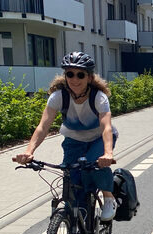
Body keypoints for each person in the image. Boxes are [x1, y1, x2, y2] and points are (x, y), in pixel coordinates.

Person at [14, 52, 118, 221]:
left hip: (99, 138)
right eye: (70, 74)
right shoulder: (58, 97)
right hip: (74, 140)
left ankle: (108, 198)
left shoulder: (99, 98)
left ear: (89, 78)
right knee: (72, 179)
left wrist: (108, 154)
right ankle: (78, 223)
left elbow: (106, 127)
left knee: (96, 164)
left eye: (80, 75)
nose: (74, 79)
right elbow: (43, 126)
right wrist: (29, 151)